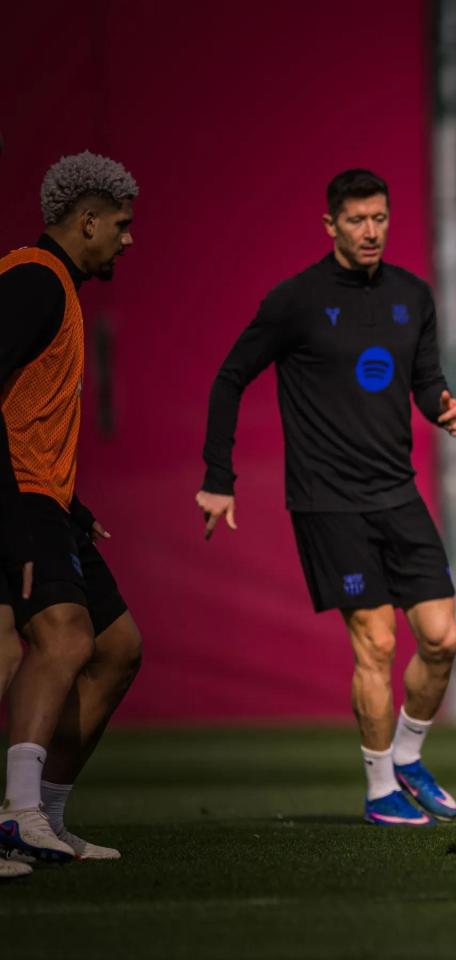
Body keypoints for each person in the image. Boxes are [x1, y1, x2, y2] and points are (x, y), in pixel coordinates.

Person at [197, 169, 456, 827]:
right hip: (329, 502)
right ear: (330, 226)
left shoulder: (412, 295)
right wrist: (218, 478)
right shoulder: (296, 301)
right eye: (356, 220)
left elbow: (425, 381)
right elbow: (231, 377)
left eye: (380, 217)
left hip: (396, 493)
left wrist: (443, 407)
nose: (371, 230)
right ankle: (379, 790)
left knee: (443, 639)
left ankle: (407, 755)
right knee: (376, 642)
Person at [0, 152, 141, 865]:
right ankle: (18, 813)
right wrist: (14, 510)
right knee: (62, 642)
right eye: (121, 225)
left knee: (118, 648)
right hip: (18, 497)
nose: (128, 239)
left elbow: (25, 410)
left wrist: (75, 507)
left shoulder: (59, 287)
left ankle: (45, 820)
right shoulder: (33, 279)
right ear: (87, 220)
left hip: (49, 502)